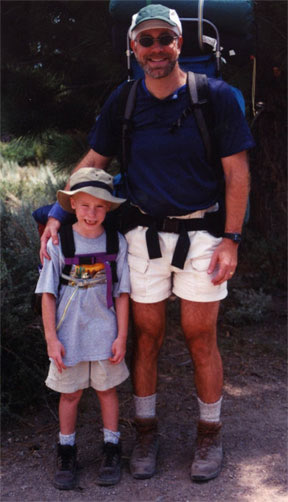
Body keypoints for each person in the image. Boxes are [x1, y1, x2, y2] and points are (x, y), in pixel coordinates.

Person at [40, 4, 254, 483]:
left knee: (201, 337)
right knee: (147, 337)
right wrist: (58, 212)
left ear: (180, 43)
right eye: (146, 40)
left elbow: (236, 173)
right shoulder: (126, 100)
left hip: (202, 236)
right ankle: (144, 432)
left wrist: (231, 240)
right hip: (142, 237)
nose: (155, 49)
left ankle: (209, 435)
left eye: (164, 39)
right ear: (133, 48)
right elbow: (95, 158)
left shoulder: (212, 96)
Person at [36, 168, 130, 489]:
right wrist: (51, 338)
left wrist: (122, 336)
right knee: (70, 394)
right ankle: (66, 450)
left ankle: (112, 448)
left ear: (109, 208)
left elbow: (122, 293)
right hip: (69, 335)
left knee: (107, 390)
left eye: (100, 206)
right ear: (73, 204)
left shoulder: (116, 244)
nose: (92, 213)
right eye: (85, 205)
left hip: (105, 333)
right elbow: (48, 294)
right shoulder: (59, 243)